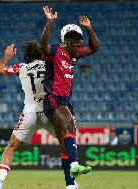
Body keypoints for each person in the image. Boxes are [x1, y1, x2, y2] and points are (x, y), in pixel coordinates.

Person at [41, 6, 99, 189]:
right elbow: (42, 46)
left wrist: (89, 28)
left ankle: (70, 184)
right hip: (52, 98)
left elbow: (95, 48)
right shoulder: (55, 52)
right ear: (66, 42)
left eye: (80, 43)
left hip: (65, 100)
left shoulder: (74, 55)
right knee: (68, 121)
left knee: (66, 140)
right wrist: (49, 23)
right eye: (76, 44)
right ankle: (74, 165)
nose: (79, 47)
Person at [0, 41, 55, 189]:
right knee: (67, 141)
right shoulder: (50, 66)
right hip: (49, 111)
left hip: (30, 113)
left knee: (11, 146)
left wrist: (7, 56)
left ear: (26, 56)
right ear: (41, 54)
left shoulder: (21, 68)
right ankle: (72, 179)